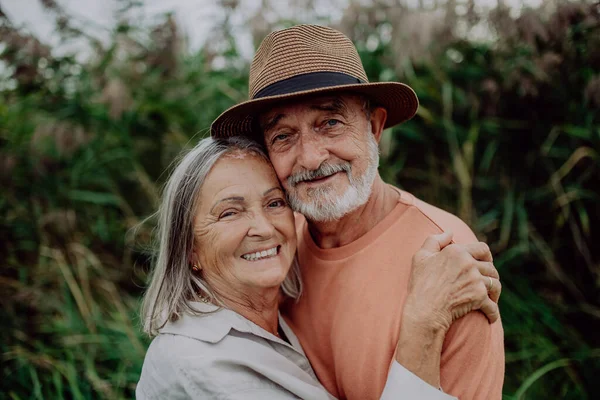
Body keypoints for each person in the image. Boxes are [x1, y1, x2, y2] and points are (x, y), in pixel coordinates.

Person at [210, 24, 505, 399]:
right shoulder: (271, 248)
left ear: (374, 126)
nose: (312, 157)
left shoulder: (448, 264)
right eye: (283, 136)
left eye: (330, 123)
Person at [136, 136, 501, 399]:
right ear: (188, 249)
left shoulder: (271, 318)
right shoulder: (198, 365)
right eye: (229, 212)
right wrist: (423, 324)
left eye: (275, 203)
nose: (265, 228)